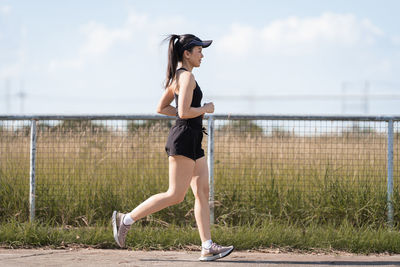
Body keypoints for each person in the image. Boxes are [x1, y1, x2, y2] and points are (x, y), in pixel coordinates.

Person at [112, 34, 234, 261]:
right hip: (184, 139)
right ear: (186, 54)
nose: (202, 55)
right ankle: (126, 219)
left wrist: (185, 114)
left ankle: (207, 246)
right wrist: (205, 108)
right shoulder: (186, 77)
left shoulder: (180, 77)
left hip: (193, 139)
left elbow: (163, 107)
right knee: (175, 194)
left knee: (202, 192)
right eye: (199, 51)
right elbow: (185, 112)